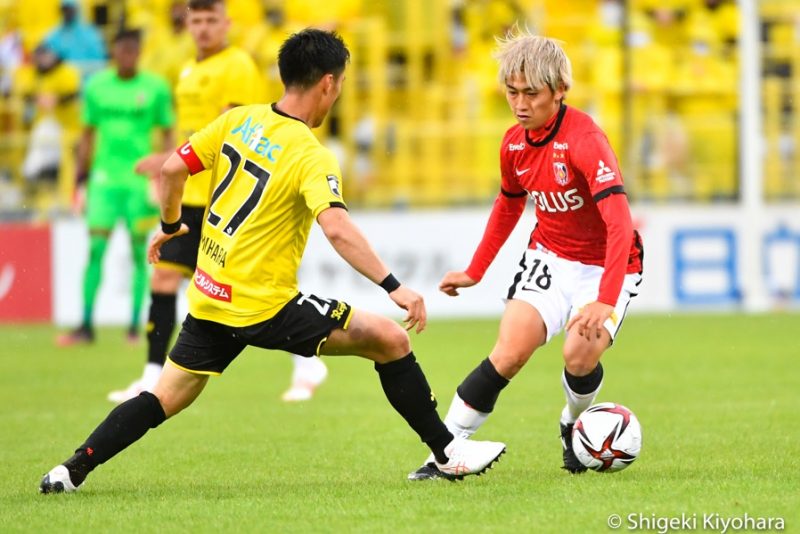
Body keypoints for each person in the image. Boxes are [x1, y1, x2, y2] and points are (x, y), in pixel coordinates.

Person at [39, 29, 507, 494]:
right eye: (339, 86)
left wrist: (170, 224)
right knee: (389, 339)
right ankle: (448, 453)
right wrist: (395, 287)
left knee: (161, 397)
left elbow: (171, 169)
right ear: (327, 83)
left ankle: (71, 470)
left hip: (210, 297)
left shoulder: (238, 121)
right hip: (265, 306)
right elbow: (338, 229)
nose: (337, 96)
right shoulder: (310, 154)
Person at [408, 30, 644, 480]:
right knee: (510, 351)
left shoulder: (586, 139)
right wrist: (475, 271)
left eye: (531, 93)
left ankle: (573, 424)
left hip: (606, 265)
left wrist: (605, 300)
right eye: (512, 92)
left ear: (559, 91)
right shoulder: (513, 142)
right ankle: (444, 453)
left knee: (578, 355)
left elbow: (619, 223)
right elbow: (509, 204)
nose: (519, 104)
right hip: (550, 256)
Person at [109, 0, 327, 404]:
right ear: (187, 24)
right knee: (165, 278)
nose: (204, 28)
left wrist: (168, 161)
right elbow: (191, 129)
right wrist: (170, 166)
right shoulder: (189, 71)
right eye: (197, 21)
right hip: (190, 196)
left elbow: (235, 132)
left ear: (227, 24)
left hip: (223, 197)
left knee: (246, 290)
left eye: (212, 20)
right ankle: (152, 374)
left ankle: (305, 360)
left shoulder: (237, 66)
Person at [55, 29, 174, 347]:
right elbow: (88, 135)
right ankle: (86, 325)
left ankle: (135, 327)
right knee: (95, 250)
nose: (127, 56)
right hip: (104, 180)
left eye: (133, 51)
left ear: (139, 52)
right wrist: (80, 179)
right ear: (113, 51)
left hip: (139, 181)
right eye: (122, 50)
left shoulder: (156, 88)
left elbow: (167, 135)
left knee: (141, 253)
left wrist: (166, 175)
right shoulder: (96, 87)